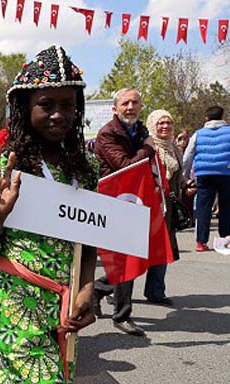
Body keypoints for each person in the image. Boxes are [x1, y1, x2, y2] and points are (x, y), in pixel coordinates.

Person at [0, 45, 97, 383]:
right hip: (13, 300)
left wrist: (87, 289)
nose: (59, 114)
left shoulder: (86, 170)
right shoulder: (7, 165)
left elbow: (89, 240)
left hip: (62, 304)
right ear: (24, 108)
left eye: (68, 105)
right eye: (46, 104)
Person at [92, 88, 156, 337]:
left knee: (125, 258)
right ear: (115, 108)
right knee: (125, 258)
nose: (130, 107)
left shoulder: (140, 131)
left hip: (132, 202)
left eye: (135, 102)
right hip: (111, 201)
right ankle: (122, 315)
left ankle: (97, 290)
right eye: (125, 103)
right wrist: (148, 150)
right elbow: (125, 166)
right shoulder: (108, 133)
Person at [144, 110, 182, 305]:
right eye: (161, 123)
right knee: (138, 252)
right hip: (151, 206)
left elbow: (177, 178)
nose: (165, 126)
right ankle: (103, 288)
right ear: (152, 125)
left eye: (168, 122)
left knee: (162, 249)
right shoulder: (148, 148)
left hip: (168, 207)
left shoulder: (174, 149)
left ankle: (156, 291)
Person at [182, 106, 230, 252]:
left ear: (207, 118)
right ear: (222, 116)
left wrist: (184, 177)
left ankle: (201, 242)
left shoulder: (198, 134)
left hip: (204, 174)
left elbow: (188, 156)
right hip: (225, 173)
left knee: (203, 208)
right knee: (226, 207)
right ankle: (225, 239)